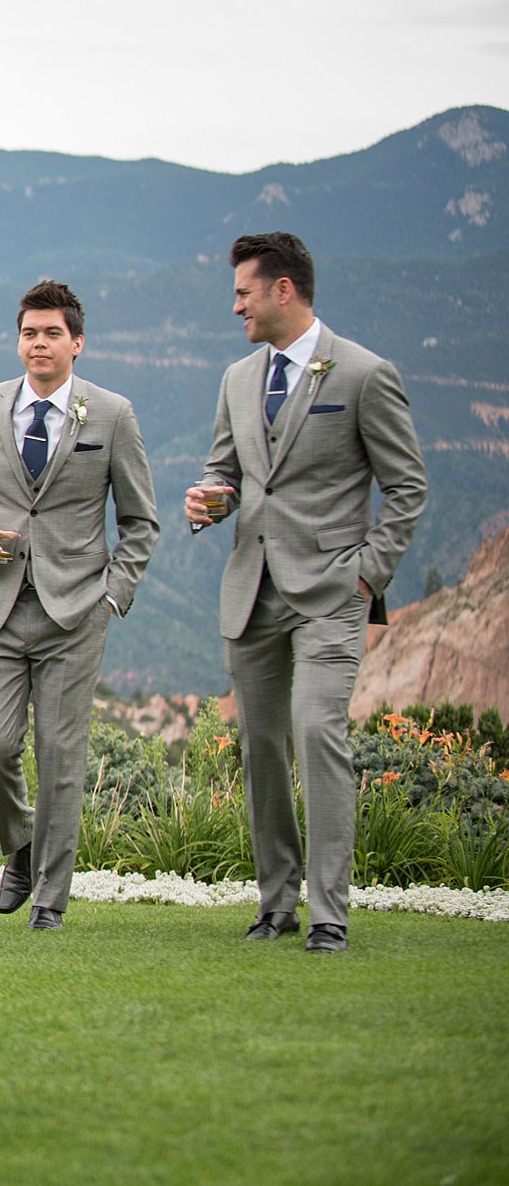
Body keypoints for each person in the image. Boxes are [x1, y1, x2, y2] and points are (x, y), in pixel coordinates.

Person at [187, 232, 427, 953]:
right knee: (262, 746)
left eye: (244, 293)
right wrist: (212, 498)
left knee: (318, 732)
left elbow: (407, 487)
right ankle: (276, 902)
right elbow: (225, 467)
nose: (236, 307)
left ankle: (330, 912)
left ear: (283, 290)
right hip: (251, 590)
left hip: (331, 592)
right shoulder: (236, 379)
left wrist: (367, 573)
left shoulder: (362, 373)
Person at [0, 280, 158, 930]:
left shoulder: (111, 414)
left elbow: (140, 520)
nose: (39, 342)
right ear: (19, 341)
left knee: (62, 758)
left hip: (75, 612)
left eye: (52, 332)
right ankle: (24, 844)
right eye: (30, 333)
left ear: (77, 342)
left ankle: (51, 901)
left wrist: (112, 595)